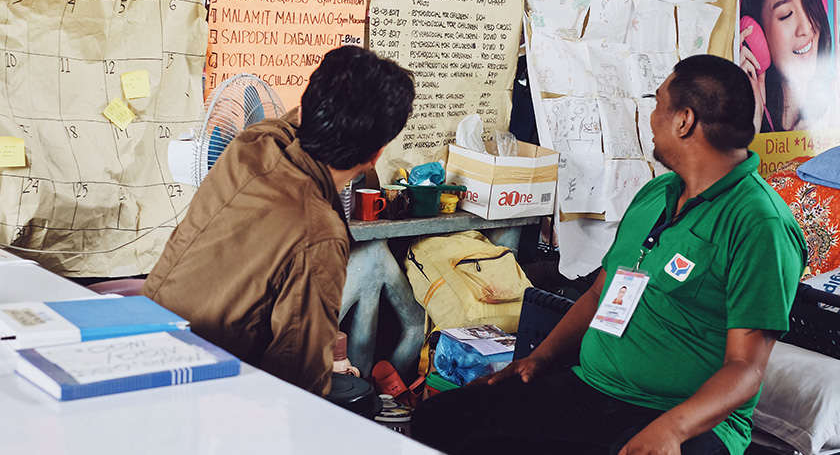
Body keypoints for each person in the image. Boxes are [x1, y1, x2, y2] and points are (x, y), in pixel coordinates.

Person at [411, 54, 806, 455]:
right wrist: (540, 358)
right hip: (590, 392)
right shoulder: (656, 194)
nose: (650, 120)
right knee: (440, 420)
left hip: (679, 418)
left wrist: (671, 430)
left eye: (656, 105)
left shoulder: (760, 224)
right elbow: (601, 294)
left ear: (684, 121)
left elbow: (746, 368)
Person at [141, 46, 415, 396]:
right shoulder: (319, 235)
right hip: (197, 388)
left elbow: (295, 121)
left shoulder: (253, 141)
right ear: (376, 155)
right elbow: (298, 380)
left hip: (144, 338)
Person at [739, 0, 832, 133]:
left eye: (810, 2)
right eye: (786, 14)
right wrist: (752, 128)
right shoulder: (739, 123)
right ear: (757, 33)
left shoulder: (834, 117)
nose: (805, 28)